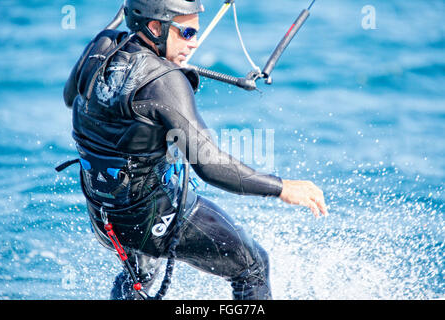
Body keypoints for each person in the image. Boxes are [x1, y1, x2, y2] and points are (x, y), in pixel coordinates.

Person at [62, 0, 328, 300]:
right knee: (252, 267)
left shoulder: (101, 46)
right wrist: (281, 187)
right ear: (155, 27)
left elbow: (71, 97)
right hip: (152, 218)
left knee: (140, 276)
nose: (195, 42)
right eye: (187, 33)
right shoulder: (164, 82)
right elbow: (210, 165)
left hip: (104, 214)